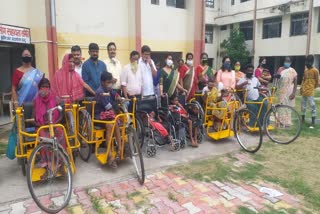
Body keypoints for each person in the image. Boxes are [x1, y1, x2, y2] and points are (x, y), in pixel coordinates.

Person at [34, 78, 66, 169]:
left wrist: (55, 123)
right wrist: (41, 125)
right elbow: (33, 118)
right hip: (42, 127)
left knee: (60, 133)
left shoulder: (56, 99)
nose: (45, 89)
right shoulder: (36, 101)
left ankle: (61, 163)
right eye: (42, 87)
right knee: (43, 136)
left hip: (54, 124)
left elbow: (61, 115)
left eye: (47, 87)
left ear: (49, 88)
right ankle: (47, 165)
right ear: (39, 88)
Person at [95, 72, 122, 168]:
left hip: (109, 115)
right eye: (108, 82)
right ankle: (110, 155)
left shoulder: (108, 89)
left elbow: (114, 93)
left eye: (111, 82)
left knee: (116, 124)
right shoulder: (100, 91)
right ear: (102, 82)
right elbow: (108, 107)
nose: (110, 84)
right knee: (110, 125)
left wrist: (118, 97)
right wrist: (117, 110)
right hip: (99, 116)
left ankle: (119, 150)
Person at [300, 55, 319, 128]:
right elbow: (303, 80)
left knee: (312, 106)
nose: (307, 63)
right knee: (303, 106)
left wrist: (312, 87)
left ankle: (313, 122)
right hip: (304, 91)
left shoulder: (315, 71)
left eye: (308, 62)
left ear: (312, 62)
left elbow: (317, 81)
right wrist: (302, 88)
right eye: (306, 62)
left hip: (310, 92)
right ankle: (302, 119)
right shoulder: (305, 70)